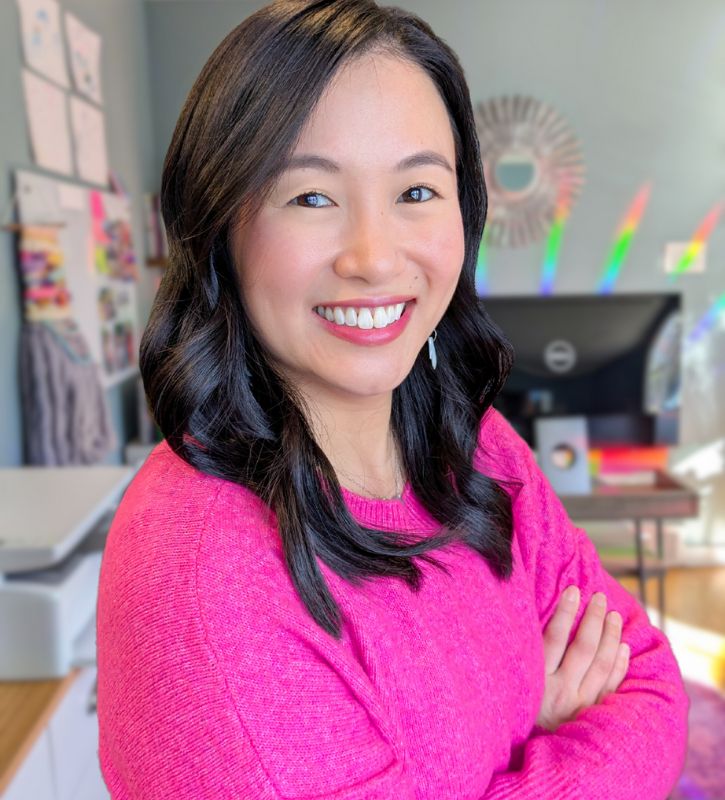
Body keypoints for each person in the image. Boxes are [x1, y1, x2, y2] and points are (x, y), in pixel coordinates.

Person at [95, 1, 689, 798]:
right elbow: (630, 739)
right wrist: (548, 734)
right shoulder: (200, 575)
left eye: (416, 191)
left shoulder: (474, 447)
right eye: (310, 197)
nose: (374, 259)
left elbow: (650, 678)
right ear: (218, 227)